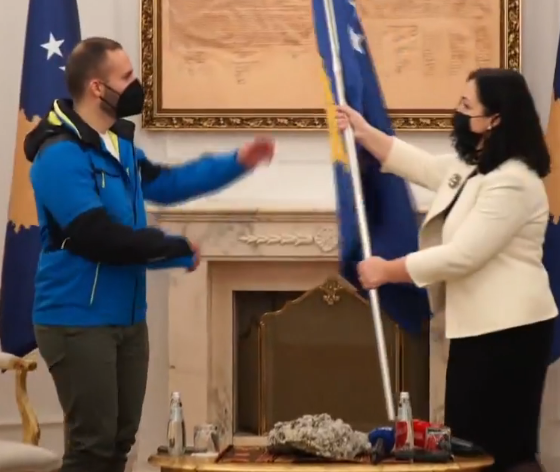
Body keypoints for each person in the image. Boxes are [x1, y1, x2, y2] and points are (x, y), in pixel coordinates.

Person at [24, 36, 275, 472]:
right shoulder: (58, 155)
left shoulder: (118, 146)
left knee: (119, 442)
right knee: (91, 446)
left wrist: (238, 161)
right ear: (98, 88)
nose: (136, 84)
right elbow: (97, 236)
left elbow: (168, 183)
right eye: (127, 77)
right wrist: (173, 249)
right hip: (76, 319)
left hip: (127, 320)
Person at [336, 68, 558, 472]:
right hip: (478, 327)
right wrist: (363, 131)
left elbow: (463, 255)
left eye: (467, 106)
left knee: (500, 450)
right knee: (469, 443)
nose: (458, 112)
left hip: (509, 332)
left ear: (495, 119)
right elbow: (421, 165)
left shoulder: (514, 180)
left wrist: (389, 270)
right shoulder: (477, 165)